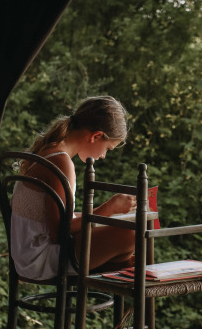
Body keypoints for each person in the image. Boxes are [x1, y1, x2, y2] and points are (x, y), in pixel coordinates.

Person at [10, 96, 136, 280]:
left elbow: (53, 219)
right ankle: (115, 278)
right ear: (96, 136)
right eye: (108, 148)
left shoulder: (50, 152)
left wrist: (105, 215)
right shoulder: (60, 161)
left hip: (28, 254)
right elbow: (59, 233)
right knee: (131, 234)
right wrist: (108, 210)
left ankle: (114, 268)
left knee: (126, 253)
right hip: (40, 258)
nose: (104, 156)